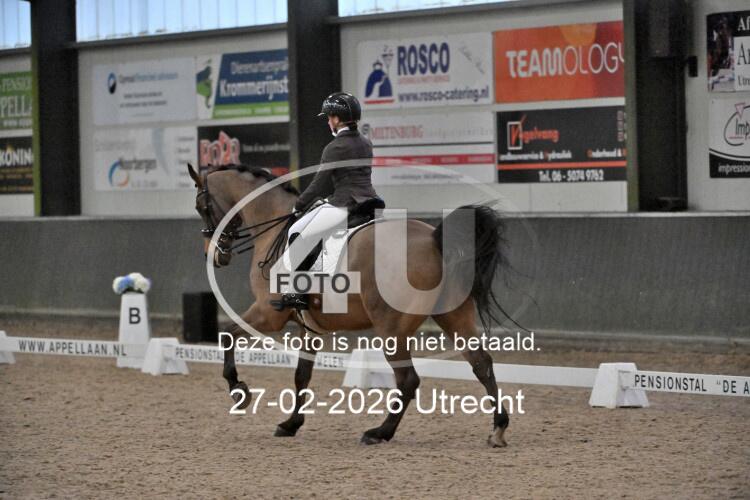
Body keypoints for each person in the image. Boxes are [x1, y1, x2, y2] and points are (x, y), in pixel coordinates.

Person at [271, 92, 381, 311]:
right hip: (370, 201)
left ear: (337, 119)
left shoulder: (334, 147)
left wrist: (299, 205)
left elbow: (319, 184)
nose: (328, 122)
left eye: (329, 117)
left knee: (296, 231)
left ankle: (297, 292)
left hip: (345, 203)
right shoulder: (366, 143)